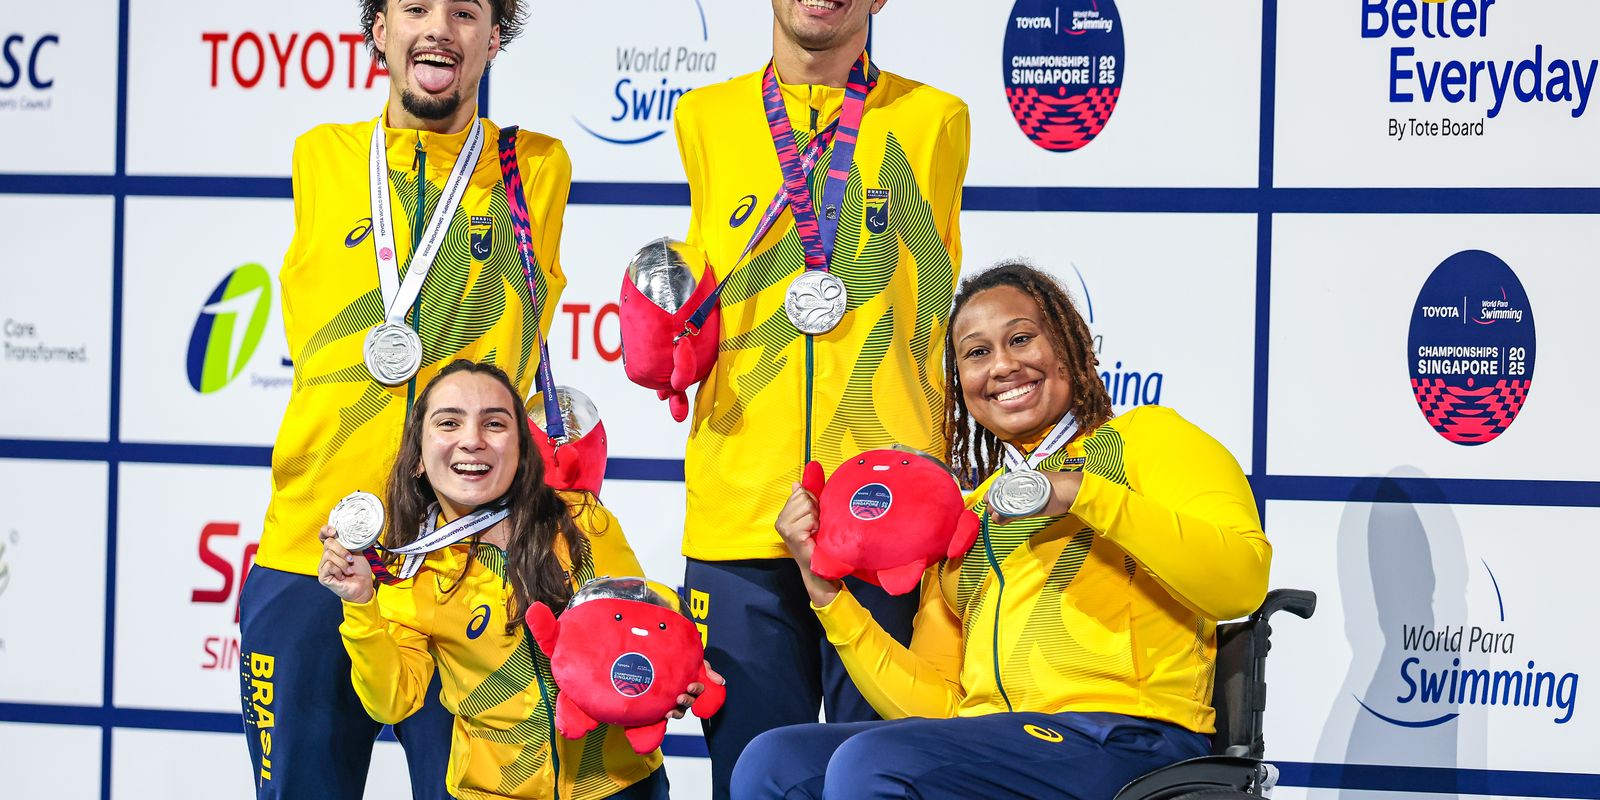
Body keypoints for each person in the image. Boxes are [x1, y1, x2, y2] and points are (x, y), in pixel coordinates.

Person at [734, 262, 1274, 799]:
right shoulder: (969, 514)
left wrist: (1084, 495)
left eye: (1020, 339)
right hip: (1000, 743)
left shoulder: (1150, 440)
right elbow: (935, 709)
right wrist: (825, 590)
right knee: (776, 761)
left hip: (1129, 739)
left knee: (876, 762)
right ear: (961, 382)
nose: (1002, 366)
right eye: (976, 353)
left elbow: (1240, 584)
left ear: (1070, 345)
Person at [237, 1, 571, 797]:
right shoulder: (323, 158)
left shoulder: (533, 169)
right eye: (415, 8)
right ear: (380, 30)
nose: (439, 28)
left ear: (493, 39)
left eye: (465, 13)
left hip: (469, 563)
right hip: (315, 552)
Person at [670, 1, 970, 794]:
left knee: (885, 778)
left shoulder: (935, 121)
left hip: (889, 513)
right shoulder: (704, 118)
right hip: (740, 514)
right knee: (753, 780)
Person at [319, 360, 698, 799]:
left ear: (521, 448)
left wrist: (675, 676)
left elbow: (646, 630)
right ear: (418, 456)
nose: (472, 440)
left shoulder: (583, 521)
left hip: (624, 786)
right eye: (449, 422)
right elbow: (391, 702)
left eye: (494, 423)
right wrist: (360, 605)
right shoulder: (413, 571)